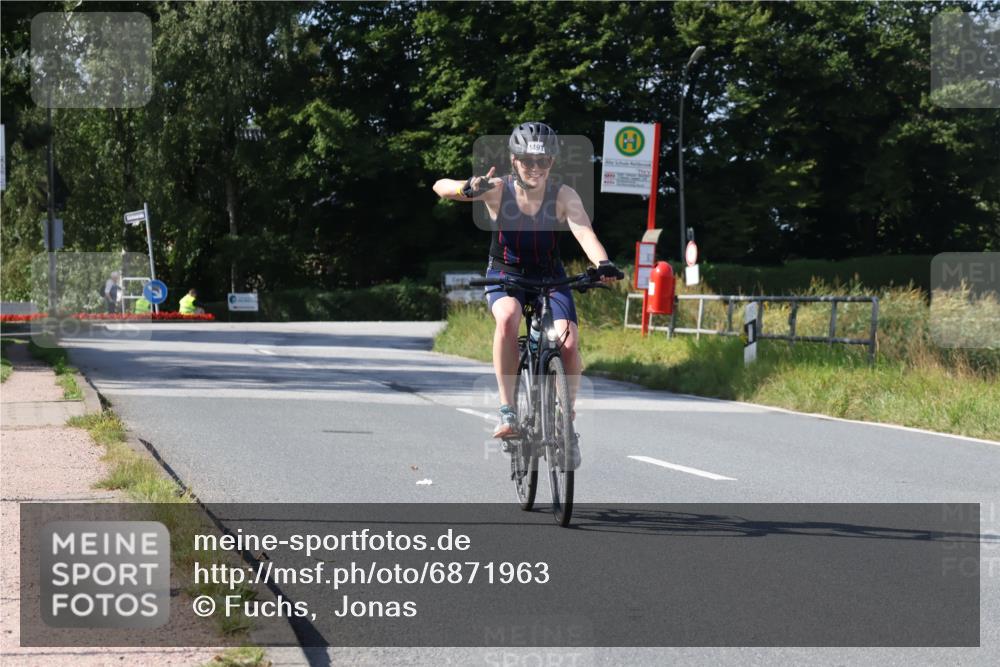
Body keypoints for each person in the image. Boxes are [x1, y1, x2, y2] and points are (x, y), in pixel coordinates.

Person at [433, 122, 620, 462]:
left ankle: (566, 421)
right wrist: (468, 187)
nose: (535, 168)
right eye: (527, 161)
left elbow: (585, 233)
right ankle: (507, 410)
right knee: (507, 317)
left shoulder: (563, 194)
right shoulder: (496, 188)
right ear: (514, 160)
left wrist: (603, 263)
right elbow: (439, 186)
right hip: (506, 272)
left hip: (550, 276)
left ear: (552, 162)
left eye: (543, 161)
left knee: (569, 340)